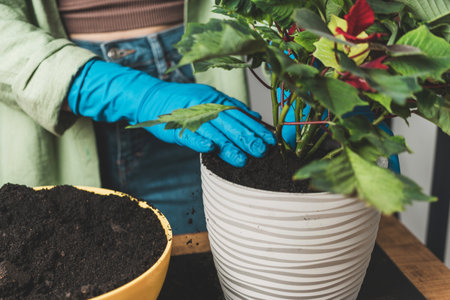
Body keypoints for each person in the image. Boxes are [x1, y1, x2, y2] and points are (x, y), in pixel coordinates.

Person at [0, 0, 275, 242]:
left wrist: (298, 53)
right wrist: (114, 89)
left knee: (194, 271)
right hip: (53, 86)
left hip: (192, 68)